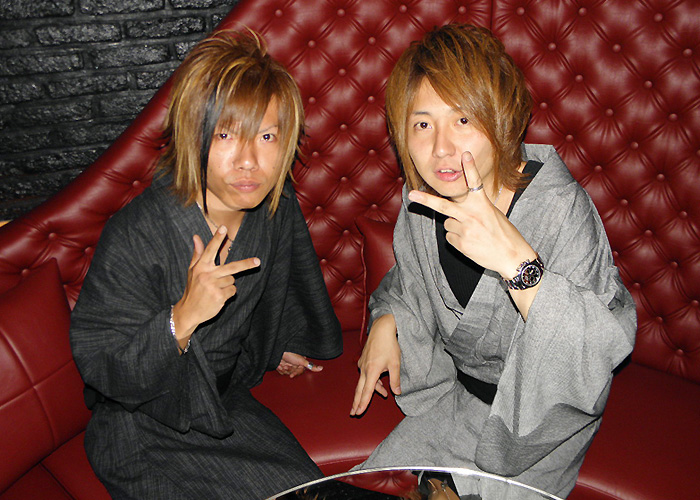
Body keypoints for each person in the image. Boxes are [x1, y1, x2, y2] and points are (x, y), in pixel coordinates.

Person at [350, 24, 636, 498]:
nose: (441, 149)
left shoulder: (559, 210)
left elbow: (594, 347)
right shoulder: (424, 199)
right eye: (423, 124)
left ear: (501, 118)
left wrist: (517, 263)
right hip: (456, 403)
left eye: (463, 119)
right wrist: (389, 319)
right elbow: (409, 280)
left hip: (536, 432)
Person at [70, 29, 342, 499]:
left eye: (267, 136)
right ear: (193, 136)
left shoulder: (273, 206)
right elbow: (102, 367)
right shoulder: (137, 232)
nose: (249, 161)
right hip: (142, 424)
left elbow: (283, 281)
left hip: (220, 402)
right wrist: (182, 318)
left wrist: (275, 345)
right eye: (225, 135)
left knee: (310, 492)